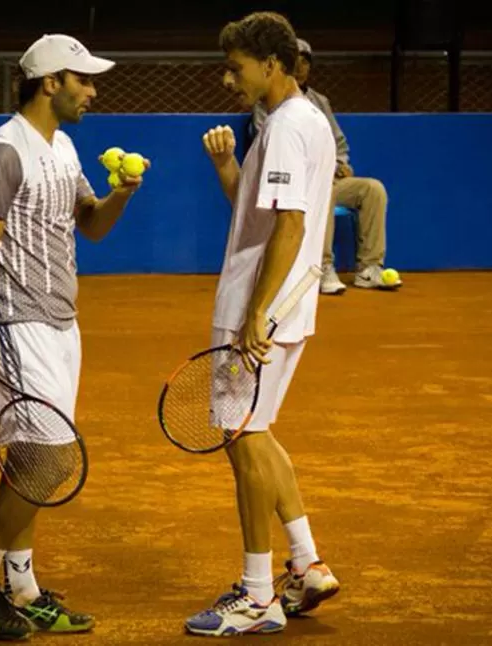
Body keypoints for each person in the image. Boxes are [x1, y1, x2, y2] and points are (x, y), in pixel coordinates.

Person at [0, 33, 148, 640]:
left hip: (63, 323)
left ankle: (23, 587)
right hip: (17, 324)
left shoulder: (64, 148)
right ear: (49, 82)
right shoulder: (3, 153)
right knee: (52, 458)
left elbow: (92, 226)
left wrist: (121, 196)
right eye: (82, 79)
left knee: (34, 458)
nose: (92, 90)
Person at [185, 12, 340, 638]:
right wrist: (229, 171)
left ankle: (256, 596)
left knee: (243, 442)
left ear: (270, 64)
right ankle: (305, 562)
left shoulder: (285, 128)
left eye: (237, 67)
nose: (229, 79)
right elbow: (261, 219)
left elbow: (292, 228)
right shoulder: (301, 123)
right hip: (284, 307)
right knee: (259, 433)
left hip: (260, 312)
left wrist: (253, 316)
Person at [252, 38, 402, 295]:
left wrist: (340, 164)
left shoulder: (320, 102)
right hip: (292, 184)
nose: (300, 66)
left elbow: (338, 142)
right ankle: (321, 268)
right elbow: (270, 148)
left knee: (372, 189)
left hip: (327, 177)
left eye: (305, 61)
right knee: (327, 193)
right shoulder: (265, 103)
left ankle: (369, 268)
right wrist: (319, 170)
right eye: (295, 60)